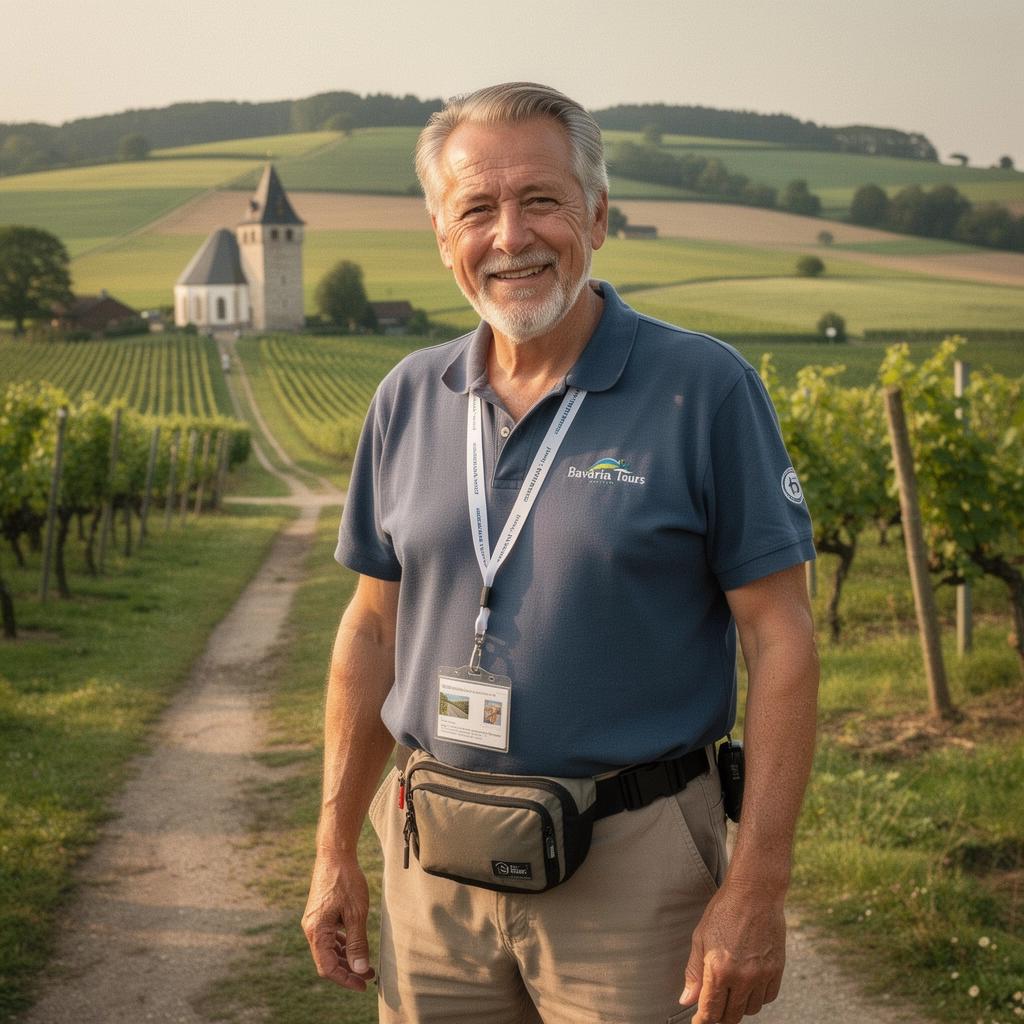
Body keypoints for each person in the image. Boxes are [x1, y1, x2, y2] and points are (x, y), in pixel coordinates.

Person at [303, 82, 819, 1024]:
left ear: (598, 214)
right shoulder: (409, 397)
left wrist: (756, 889)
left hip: (634, 868)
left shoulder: (703, 390)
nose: (511, 236)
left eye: (541, 199)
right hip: (432, 866)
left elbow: (781, 638)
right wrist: (335, 843)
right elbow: (371, 629)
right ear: (441, 234)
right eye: (477, 209)